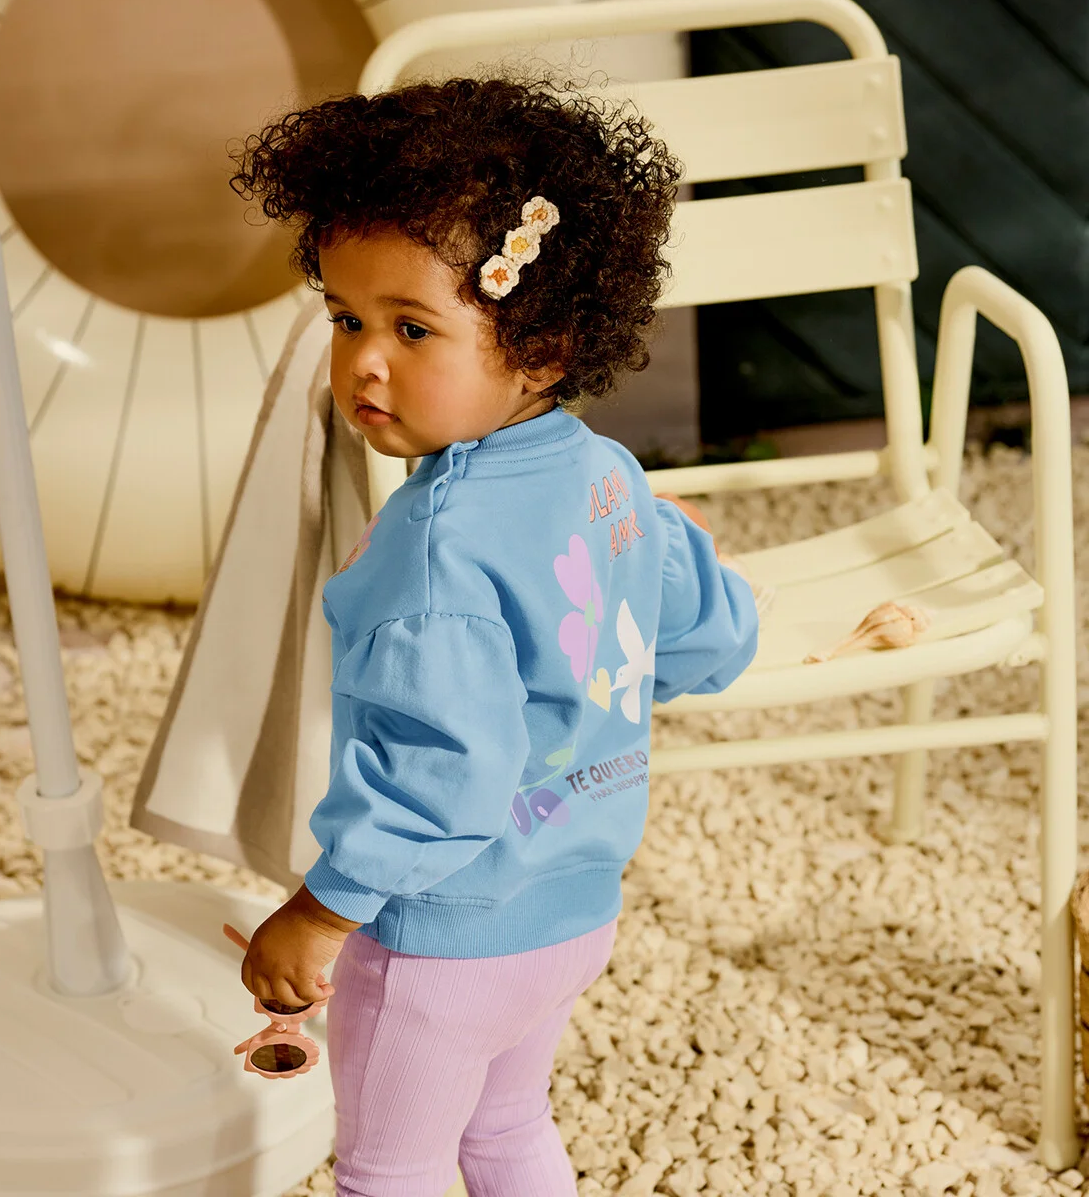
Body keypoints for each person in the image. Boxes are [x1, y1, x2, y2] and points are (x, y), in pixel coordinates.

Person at [226, 73, 759, 1197]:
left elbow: (444, 777)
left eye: (412, 328)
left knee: (389, 1171)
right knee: (509, 1130)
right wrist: (673, 552)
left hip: (439, 943)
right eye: (346, 319)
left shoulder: (433, 547)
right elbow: (707, 642)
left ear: (544, 344)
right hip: (574, 914)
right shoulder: (611, 477)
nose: (364, 362)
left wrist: (319, 914)